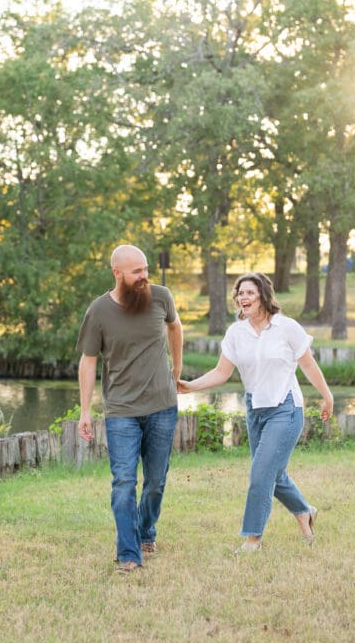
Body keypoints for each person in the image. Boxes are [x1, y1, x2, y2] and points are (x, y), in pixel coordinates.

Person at [178, 271, 333, 552]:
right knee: (272, 472)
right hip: (255, 410)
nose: (242, 297)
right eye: (239, 293)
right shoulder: (236, 332)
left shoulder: (286, 327)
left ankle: (253, 538)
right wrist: (190, 386)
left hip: (286, 408)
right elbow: (222, 372)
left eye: (249, 292)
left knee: (261, 472)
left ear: (262, 295)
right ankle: (304, 512)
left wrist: (327, 396)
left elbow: (308, 365)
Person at [76, 244, 183, 573]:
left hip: (162, 407)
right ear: (117, 273)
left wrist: (176, 372)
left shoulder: (161, 297)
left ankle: (146, 530)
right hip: (121, 410)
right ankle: (128, 554)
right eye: (136, 271)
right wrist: (84, 411)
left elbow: (175, 328)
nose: (144, 276)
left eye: (146, 269)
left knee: (155, 482)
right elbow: (88, 360)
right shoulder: (98, 311)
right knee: (124, 482)